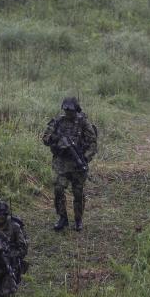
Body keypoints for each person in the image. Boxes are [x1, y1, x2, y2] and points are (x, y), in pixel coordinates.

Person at [42, 96, 98, 231]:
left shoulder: (83, 122)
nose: (68, 114)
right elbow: (45, 139)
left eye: (71, 111)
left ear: (76, 110)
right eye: (66, 111)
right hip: (61, 163)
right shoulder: (57, 122)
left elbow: (93, 143)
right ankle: (62, 218)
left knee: (78, 193)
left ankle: (78, 219)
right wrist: (57, 139)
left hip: (78, 164)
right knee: (58, 189)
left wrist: (85, 158)